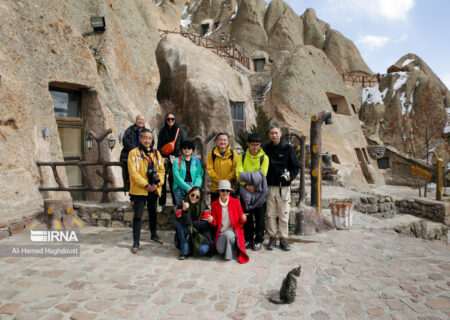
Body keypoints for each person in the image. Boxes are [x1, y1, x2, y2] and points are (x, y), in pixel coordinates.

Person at [264, 124, 301, 251]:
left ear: (280, 134)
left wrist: (290, 177)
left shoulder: (288, 148)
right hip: (269, 186)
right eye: (272, 133)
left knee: (284, 214)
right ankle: (272, 238)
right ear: (269, 135)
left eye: (276, 133)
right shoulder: (265, 149)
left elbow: (296, 166)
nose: (274, 135)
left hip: (283, 188)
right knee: (270, 214)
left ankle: (284, 239)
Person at [128, 129, 165, 253]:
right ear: (140, 138)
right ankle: (136, 242)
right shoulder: (133, 153)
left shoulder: (156, 153)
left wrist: (157, 183)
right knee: (138, 216)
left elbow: (161, 170)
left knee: (153, 213)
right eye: (145, 137)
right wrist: (145, 185)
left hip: (153, 189)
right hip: (140, 190)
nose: (147, 140)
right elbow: (133, 173)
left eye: (149, 138)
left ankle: (154, 235)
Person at [236, 133, 269, 251]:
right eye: (253, 144)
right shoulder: (242, 157)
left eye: (258, 145)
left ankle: (259, 239)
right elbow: (239, 175)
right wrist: (246, 184)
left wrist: (247, 177)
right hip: (246, 192)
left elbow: (262, 175)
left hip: (259, 192)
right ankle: (248, 239)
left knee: (260, 217)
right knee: (247, 217)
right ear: (248, 144)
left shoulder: (264, 158)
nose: (256, 147)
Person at [210, 180, 248, 264]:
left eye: (227, 191)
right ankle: (231, 249)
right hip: (221, 235)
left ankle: (228, 256)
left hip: (233, 233)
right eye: (223, 190)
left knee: (229, 235)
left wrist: (243, 217)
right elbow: (215, 224)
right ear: (219, 191)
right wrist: (212, 220)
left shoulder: (236, 202)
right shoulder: (214, 204)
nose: (225, 193)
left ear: (230, 192)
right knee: (220, 250)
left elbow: (242, 220)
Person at [175, 187, 214, 260]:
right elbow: (181, 220)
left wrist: (191, 223)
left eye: (197, 197)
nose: (194, 198)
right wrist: (185, 211)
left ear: (200, 198)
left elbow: (205, 224)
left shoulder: (203, 206)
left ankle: (192, 247)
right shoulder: (182, 204)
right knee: (181, 226)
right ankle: (185, 251)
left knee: (202, 251)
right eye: (192, 195)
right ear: (189, 194)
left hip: (201, 234)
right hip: (188, 232)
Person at [157, 112, 186, 206]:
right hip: (165, 159)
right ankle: (162, 202)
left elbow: (184, 144)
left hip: (176, 158)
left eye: (172, 119)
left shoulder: (179, 130)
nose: (170, 121)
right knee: (162, 179)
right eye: (168, 119)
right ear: (166, 120)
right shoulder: (162, 131)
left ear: (175, 120)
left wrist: (179, 157)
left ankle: (175, 202)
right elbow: (159, 147)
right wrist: (162, 158)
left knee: (174, 180)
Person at [120, 115, 147, 201]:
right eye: (139, 119)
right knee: (129, 177)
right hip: (129, 156)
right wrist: (135, 150)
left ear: (145, 121)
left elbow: (151, 141)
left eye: (142, 120)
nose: (141, 121)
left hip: (142, 157)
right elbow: (125, 140)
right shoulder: (130, 129)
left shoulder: (147, 131)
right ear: (136, 120)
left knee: (142, 176)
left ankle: (143, 197)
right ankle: (132, 197)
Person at [206, 132, 238, 203]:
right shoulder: (211, 154)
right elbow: (209, 169)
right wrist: (219, 181)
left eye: (225, 140)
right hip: (216, 188)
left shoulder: (233, 154)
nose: (222, 142)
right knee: (216, 210)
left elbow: (235, 169)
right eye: (220, 140)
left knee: (230, 211)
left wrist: (226, 181)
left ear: (228, 141)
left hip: (229, 187)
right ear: (217, 141)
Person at [172, 140, 203, 208]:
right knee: (181, 208)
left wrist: (194, 188)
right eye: (184, 148)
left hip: (193, 187)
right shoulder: (176, 161)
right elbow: (177, 178)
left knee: (192, 209)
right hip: (180, 188)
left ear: (192, 150)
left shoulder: (196, 162)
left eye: (189, 148)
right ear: (181, 149)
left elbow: (199, 176)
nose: (187, 150)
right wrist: (189, 188)